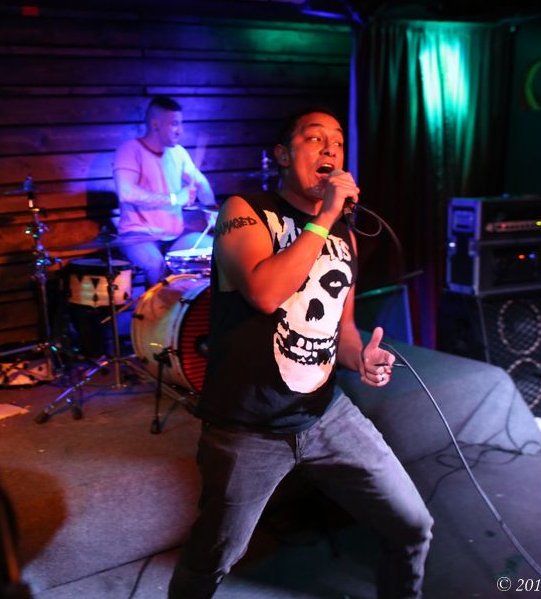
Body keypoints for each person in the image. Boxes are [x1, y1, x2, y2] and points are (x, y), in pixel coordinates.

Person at [168, 108, 433, 599]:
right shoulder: (244, 211)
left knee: (412, 526)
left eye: (338, 141)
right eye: (314, 138)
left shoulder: (345, 234)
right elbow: (266, 293)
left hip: (327, 415)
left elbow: (341, 328)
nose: (331, 148)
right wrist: (326, 216)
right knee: (213, 557)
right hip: (247, 428)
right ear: (283, 155)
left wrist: (361, 358)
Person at [112, 96, 215, 286]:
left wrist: (211, 209)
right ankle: (158, 307)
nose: (180, 130)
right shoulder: (129, 150)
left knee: (217, 251)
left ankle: (195, 305)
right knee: (156, 265)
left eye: (181, 124)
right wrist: (175, 199)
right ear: (155, 125)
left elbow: (201, 182)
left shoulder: (178, 152)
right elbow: (126, 192)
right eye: (174, 124)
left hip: (175, 235)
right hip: (137, 236)